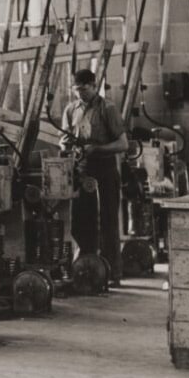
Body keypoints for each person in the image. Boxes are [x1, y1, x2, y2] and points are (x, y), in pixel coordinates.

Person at [62, 67, 129, 286]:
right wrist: (67, 146)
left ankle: (112, 274)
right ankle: (87, 272)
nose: (80, 93)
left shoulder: (107, 108)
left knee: (108, 222)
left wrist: (97, 149)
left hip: (105, 170)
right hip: (81, 172)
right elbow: (63, 139)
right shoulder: (71, 110)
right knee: (81, 223)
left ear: (94, 86)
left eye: (84, 89)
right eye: (76, 89)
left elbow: (123, 144)